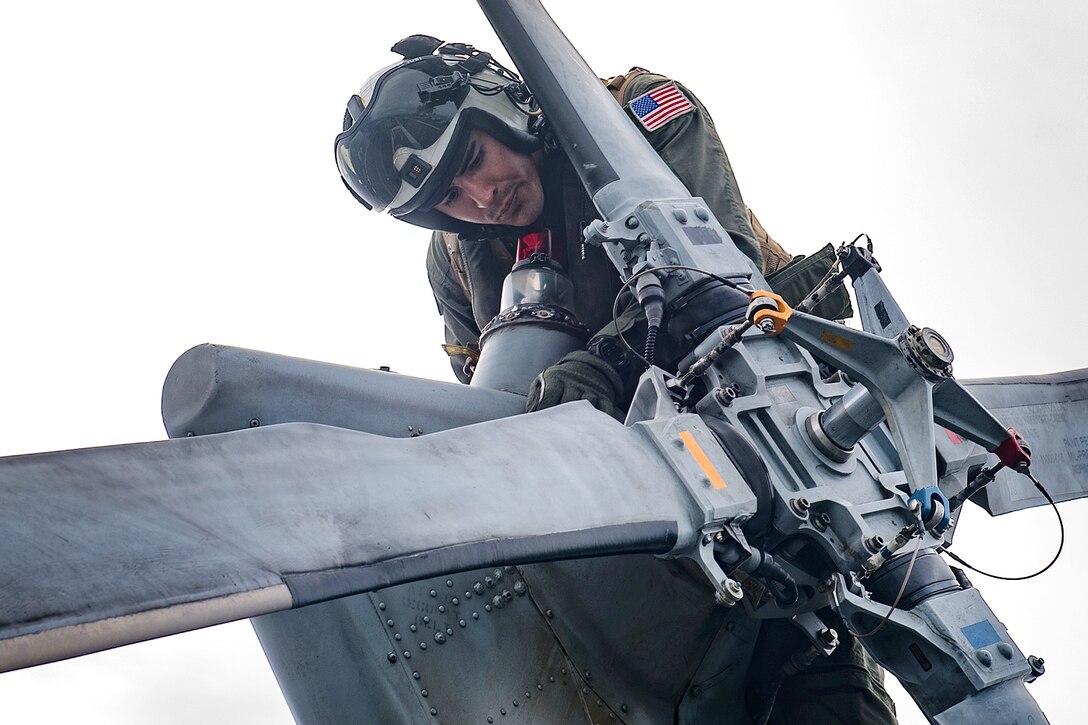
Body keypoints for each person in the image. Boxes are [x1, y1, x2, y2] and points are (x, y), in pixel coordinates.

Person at [336, 35, 894, 724]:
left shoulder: (631, 117)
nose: (481, 197)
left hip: (765, 454)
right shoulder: (454, 258)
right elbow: (488, 408)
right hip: (622, 532)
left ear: (508, 108)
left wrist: (595, 367)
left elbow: (712, 278)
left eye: (474, 159)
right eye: (449, 195)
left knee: (824, 683)